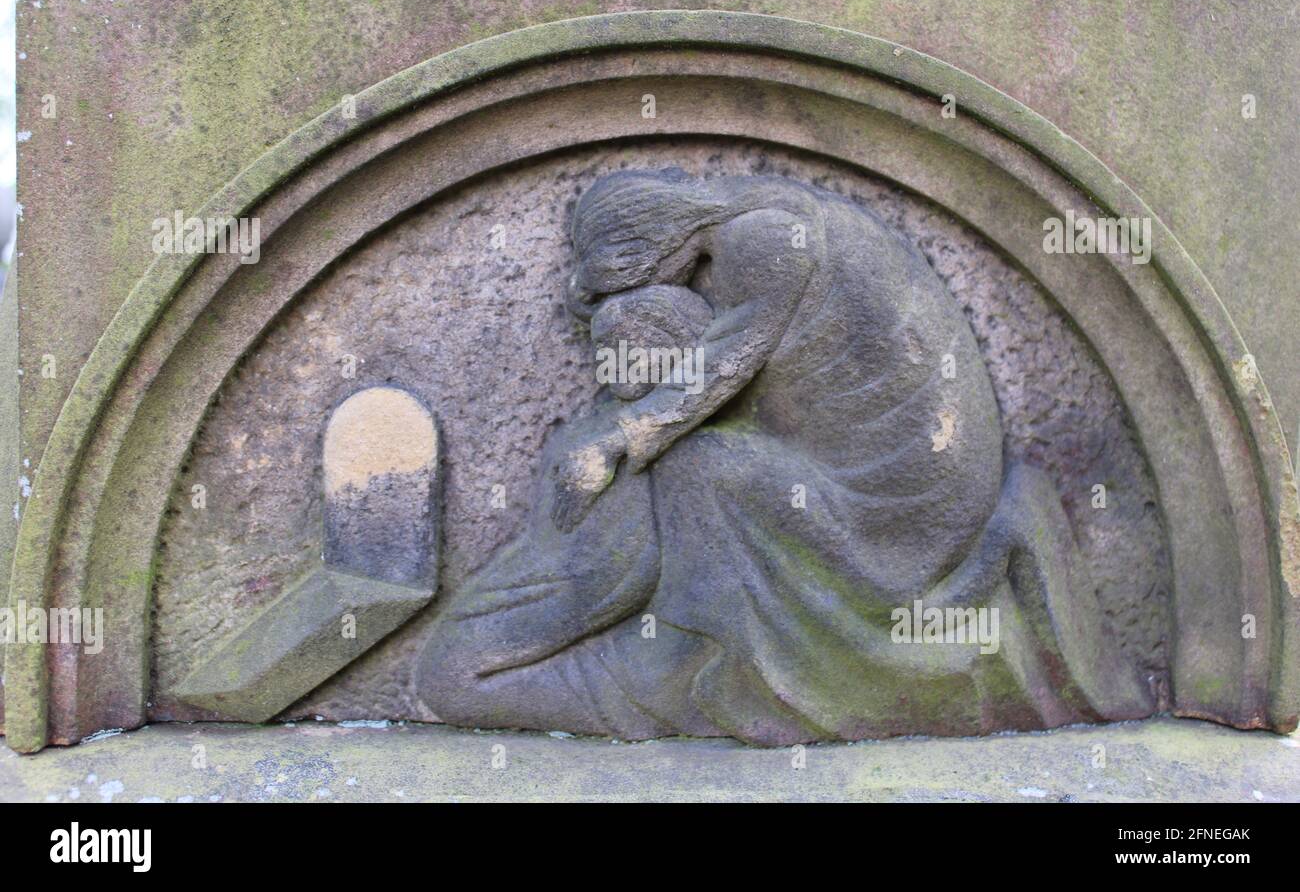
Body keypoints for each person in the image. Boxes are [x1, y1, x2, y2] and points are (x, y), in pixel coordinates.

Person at [417, 170, 1149, 744]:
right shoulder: (755, 217)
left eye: (639, 286)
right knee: (702, 463)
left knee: (699, 466)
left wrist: (620, 437)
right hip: (891, 476)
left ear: (651, 248)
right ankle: (702, 648)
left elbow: (727, 360)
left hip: (896, 509)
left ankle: (718, 655)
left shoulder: (765, 236)